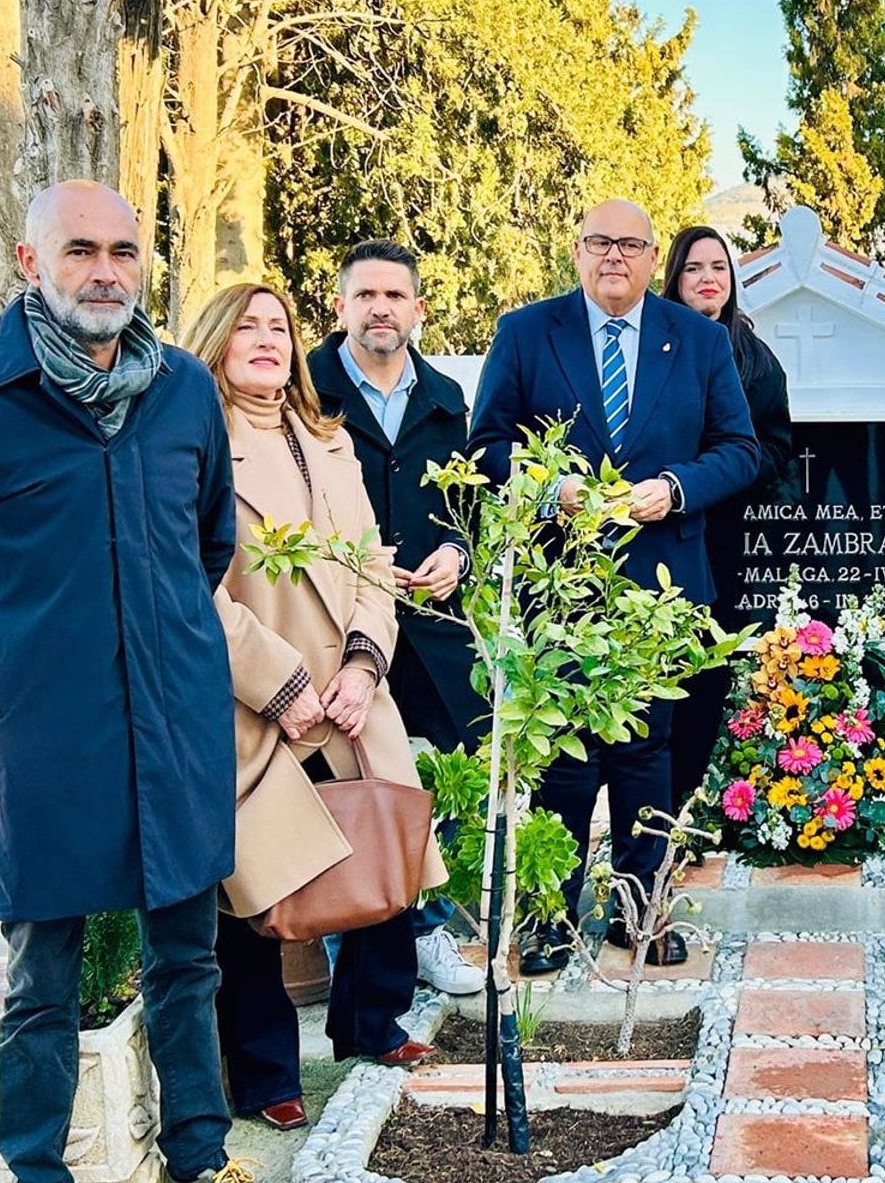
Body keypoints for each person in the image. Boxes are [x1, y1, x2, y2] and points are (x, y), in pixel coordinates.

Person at [0, 182, 290, 1183]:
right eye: (80, 250)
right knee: (42, 980)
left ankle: (202, 1158)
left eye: (122, 250)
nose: (105, 271)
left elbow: (209, 547)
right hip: (44, 741)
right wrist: (21, 669)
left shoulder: (183, 397)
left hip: (174, 726)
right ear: (31, 262)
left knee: (187, 958)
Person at [468, 199, 760, 974]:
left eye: (630, 244)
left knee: (648, 754)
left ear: (650, 253)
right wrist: (550, 487)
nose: (614, 257)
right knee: (562, 761)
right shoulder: (526, 334)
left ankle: (642, 911)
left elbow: (741, 450)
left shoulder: (697, 340)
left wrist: (673, 486)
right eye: (600, 242)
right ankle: (550, 920)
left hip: (662, 586)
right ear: (577, 250)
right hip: (562, 585)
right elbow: (487, 447)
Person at [186, 281, 449, 1131]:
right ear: (217, 340)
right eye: (249, 327)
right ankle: (263, 1074)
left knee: (387, 853)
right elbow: (189, 587)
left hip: (351, 689)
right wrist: (284, 684)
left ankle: (371, 1024)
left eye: (280, 328)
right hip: (250, 697)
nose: (267, 340)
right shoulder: (190, 442)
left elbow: (374, 557)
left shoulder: (327, 438)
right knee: (254, 892)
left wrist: (368, 664)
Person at [307, 240, 486, 998]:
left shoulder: (446, 399)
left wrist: (458, 553)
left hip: (431, 624)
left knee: (434, 780)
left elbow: (472, 505)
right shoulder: (305, 391)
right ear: (340, 306)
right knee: (347, 779)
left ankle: (431, 928)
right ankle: (354, 940)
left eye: (395, 296)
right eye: (366, 295)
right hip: (337, 625)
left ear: (418, 308)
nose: (381, 309)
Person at [659, 225, 794, 810]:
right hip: (651, 534)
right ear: (674, 278)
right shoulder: (651, 344)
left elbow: (775, 444)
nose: (708, 278)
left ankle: (681, 805)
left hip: (720, 539)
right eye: (693, 268)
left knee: (703, 675)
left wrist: (720, 470)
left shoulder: (755, 359)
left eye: (718, 267)